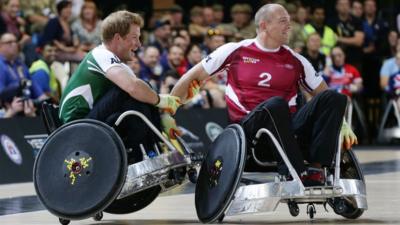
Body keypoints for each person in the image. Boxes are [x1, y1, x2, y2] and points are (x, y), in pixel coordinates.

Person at [168, 4, 358, 186]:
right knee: (276, 104)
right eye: (283, 21)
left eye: (289, 21)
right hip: (250, 130)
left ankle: (317, 168)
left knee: (335, 98)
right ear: (264, 25)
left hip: (289, 128)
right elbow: (190, 77)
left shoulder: (296, 60)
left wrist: (342, 123)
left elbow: (323, 94)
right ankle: (295, 172)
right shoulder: (235, 51)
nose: (289, 26)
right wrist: (168, 112)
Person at [58, 11, 181, 159]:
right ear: (118, 38)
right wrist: (161, 101)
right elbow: (133, 87)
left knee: (140, 95)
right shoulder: (101, 54)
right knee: (129, 90)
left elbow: (141, 90)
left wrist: (161, 117)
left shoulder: (116, 63)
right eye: (135, 38)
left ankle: (152, 153)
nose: (139, 44)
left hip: (91, 120)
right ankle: (152, 154)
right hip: (76, 127)